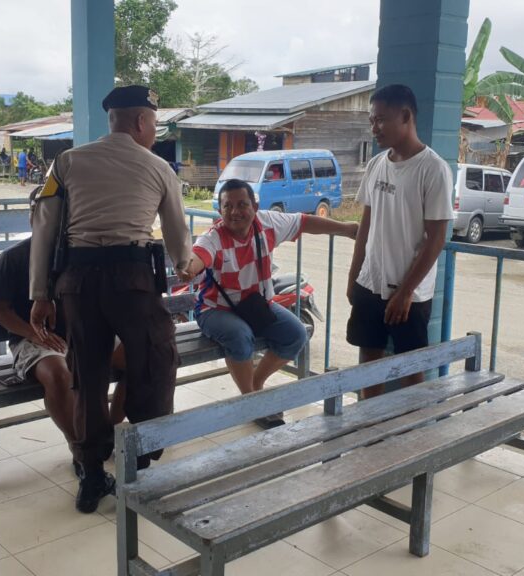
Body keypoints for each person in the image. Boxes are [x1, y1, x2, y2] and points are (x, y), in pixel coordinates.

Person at [28, 85, 191, 513]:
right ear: (140, 121)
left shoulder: (66, 162)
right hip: (131, 280)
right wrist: (186, 265)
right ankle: (142, 452)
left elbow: (43, 227)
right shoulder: (159, 168)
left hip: (77, 283)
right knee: (156, 357)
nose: (154, 131)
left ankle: (91, 472)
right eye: (153, 123)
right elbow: (179, 239)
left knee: (87, 375)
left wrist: (39, 294)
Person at [177, 179, 358, 428]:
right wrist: (189, 268)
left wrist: (347, 229)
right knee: (240, 336)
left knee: (296, 334)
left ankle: (256, 384)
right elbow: (199, 256)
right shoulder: (213, 237)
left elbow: (305, 222)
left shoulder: (268, 223)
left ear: (255, 206)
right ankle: (251, 402)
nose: (235, 212)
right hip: (214, 309)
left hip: (255, 305)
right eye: (227, 206)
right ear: (220, 210)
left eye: (242, 204)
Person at [0, 191, 127, 481]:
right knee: (59, 374)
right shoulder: (13, 258)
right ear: (32, 217)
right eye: (44, 215)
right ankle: (82, 450)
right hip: (33, 340)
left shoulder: (78, 255)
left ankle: (108, 436)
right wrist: (34, 333)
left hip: (82, 331)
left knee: (136, 357)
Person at [346, 84, 454, 399]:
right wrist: (354, 277)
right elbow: (365, 226)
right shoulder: (377, 164)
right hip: (371, 282)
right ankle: (370, 421)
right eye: (372, 120)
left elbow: (437, 238)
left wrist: (406, 292)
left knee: (411, 366)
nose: (374, 128)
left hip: (410, 293)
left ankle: (412, 425)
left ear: (405, 116)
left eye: (381, 119)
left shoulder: (433, 169)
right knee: (369, 359)